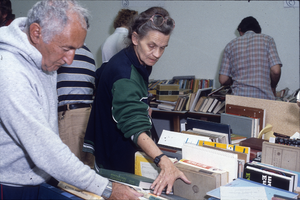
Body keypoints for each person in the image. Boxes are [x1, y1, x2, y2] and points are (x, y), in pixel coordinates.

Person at [0, 0, 142, 199]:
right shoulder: (10, 71)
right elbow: (45, 149)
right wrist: (107, 189)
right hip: (10, 185)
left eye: (76, 48)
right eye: (66, 48)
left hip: (37, 178)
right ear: (36, 33)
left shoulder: (45, 57)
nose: (70, 60)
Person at [84, 6, 191, 196]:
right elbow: (134, 128)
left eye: (162, 48)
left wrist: (142, 106)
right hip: (115, 158)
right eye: (151, 46)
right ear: (135, 38)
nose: (157, 54)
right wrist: (163, 161)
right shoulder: (124, 72)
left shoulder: (134, 60)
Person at [219, 16, 282, 100]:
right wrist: (273, 86)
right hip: (263, 100)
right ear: (259, 31)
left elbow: (223, 79)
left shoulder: (230, 45)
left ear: (240, 31)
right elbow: (276, 71)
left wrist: (233, 80)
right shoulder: (268, 40)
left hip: (237, 101)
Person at [57, 45, 96, 169]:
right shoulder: (88, 53)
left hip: (70, 116)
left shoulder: (62, 50)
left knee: (69, 169)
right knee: (87, 168)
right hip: (89, 114)